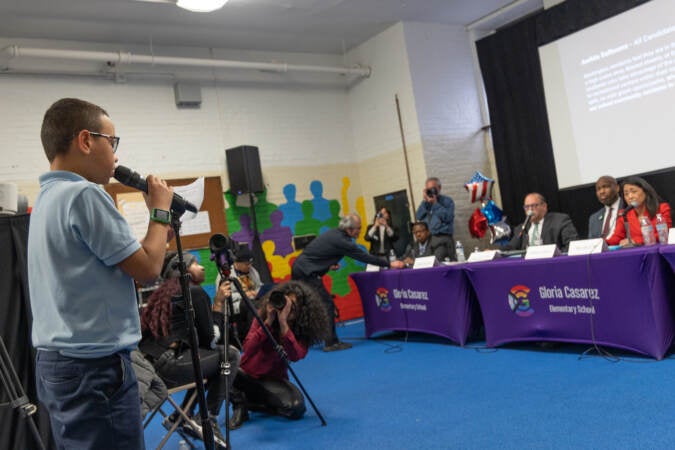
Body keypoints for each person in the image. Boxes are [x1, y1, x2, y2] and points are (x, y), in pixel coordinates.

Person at [27, 98, 175, 449]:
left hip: (57, 363)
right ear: (85, 140)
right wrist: (161, 211)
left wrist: (155, 236)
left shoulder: (49, 197)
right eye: (113, 142)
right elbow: (150, 269)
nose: (116, 156)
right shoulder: (84, 195)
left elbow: (121, 261)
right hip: (94, 369)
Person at [139, 252, 240, 447]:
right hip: (171, 366)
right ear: (182, 269)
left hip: (153, 369)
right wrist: (218, 305)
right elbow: (210, 341)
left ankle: (181, 414)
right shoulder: (193, 292)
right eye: (194, 263)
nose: (201, 267)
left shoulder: (165, 293)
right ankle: (209, 417)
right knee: (231, 355)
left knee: (203, 359)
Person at [291, 213, 405, 351]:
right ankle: (331, 343)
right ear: (349, 229)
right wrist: (389, 264)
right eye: (358, 228)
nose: (359, 231)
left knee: (305, 306)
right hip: (307, 272)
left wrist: (329, 264)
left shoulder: (335, 234)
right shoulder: (342, 241)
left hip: (301, 268)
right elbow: (364, 257)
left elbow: (319, 252)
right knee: (326, 304)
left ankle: (301, 339)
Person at [229, 281, 330, 429]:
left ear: (301, 312)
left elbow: (296, 355)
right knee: (224, 364)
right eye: (284, 303)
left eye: (292, 308)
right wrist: (269, 322)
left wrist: (284, 324)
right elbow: (248, 348)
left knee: (296, 409)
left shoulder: (302, 331)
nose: (285, 309)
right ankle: (239, 405)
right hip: (246, 375)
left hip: (273, 380)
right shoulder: (263, 317)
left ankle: (256, 404)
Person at [213, 245, 263, 348]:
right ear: (236, 263)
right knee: (250, 306)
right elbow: (224, 295)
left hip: (252, 301)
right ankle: (252, 338)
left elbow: (259, 285)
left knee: (261, 304)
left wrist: (257, 292)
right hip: (233, 306)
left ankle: (262, 334)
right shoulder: (225, 274)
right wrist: (244, 295)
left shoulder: (252, 271)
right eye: (246, 264)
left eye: (250, 263)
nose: (249, 266)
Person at [606, 176, 672, 247]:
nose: (630, 196)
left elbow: (666, 233)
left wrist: (636, 240)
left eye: (634, 192)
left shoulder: (662, 208)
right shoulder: (625, 214)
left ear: (645, 192)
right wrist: (601, 243)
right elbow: (616, 238)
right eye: (626, 194)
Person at [506, 193, 579, 253]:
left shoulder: (560, 221)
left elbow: (572, 245)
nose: (530, 210)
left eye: (534, 206)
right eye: (527, 207)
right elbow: (510, 249)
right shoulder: (521, 228)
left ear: (544, 206)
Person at [415, 177, 456, 260]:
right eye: (428, 189)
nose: (431, 191)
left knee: (438, 262)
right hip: (429, 240)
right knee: (425, 262)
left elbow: (448, 218)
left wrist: (435, 203)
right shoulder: (426, 203)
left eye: (433, 189)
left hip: (443, 239)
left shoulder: (447, 201)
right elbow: (418, 216)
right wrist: (425, 201)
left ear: (439, 188)